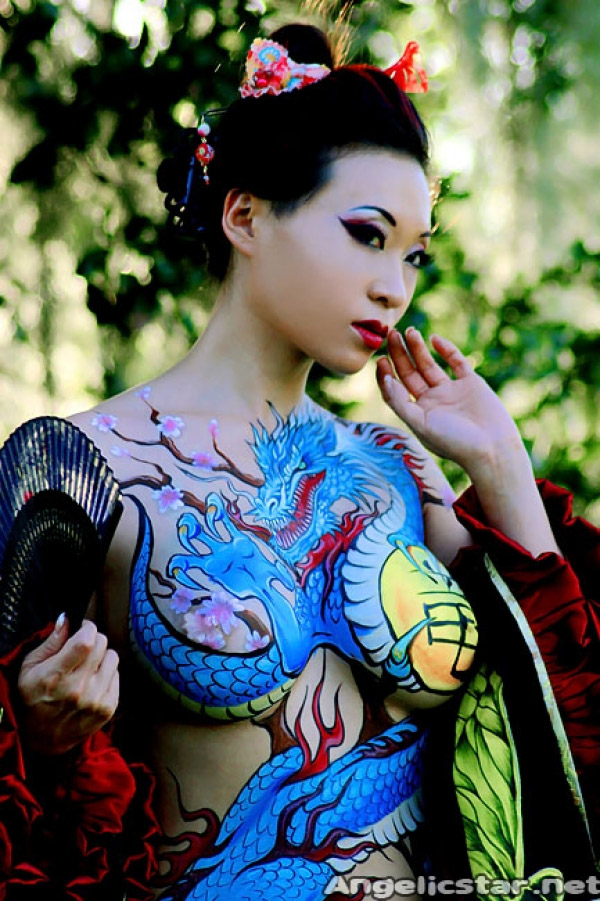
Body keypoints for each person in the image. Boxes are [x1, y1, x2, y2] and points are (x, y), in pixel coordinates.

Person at [1, 21, 599, 901]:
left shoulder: (396, 466)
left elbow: (561, 706)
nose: (396, 286)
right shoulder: (90, 468)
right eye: (367, 234)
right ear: (244, 215)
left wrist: (500, 462)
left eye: (414, 255)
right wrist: (41, 734)